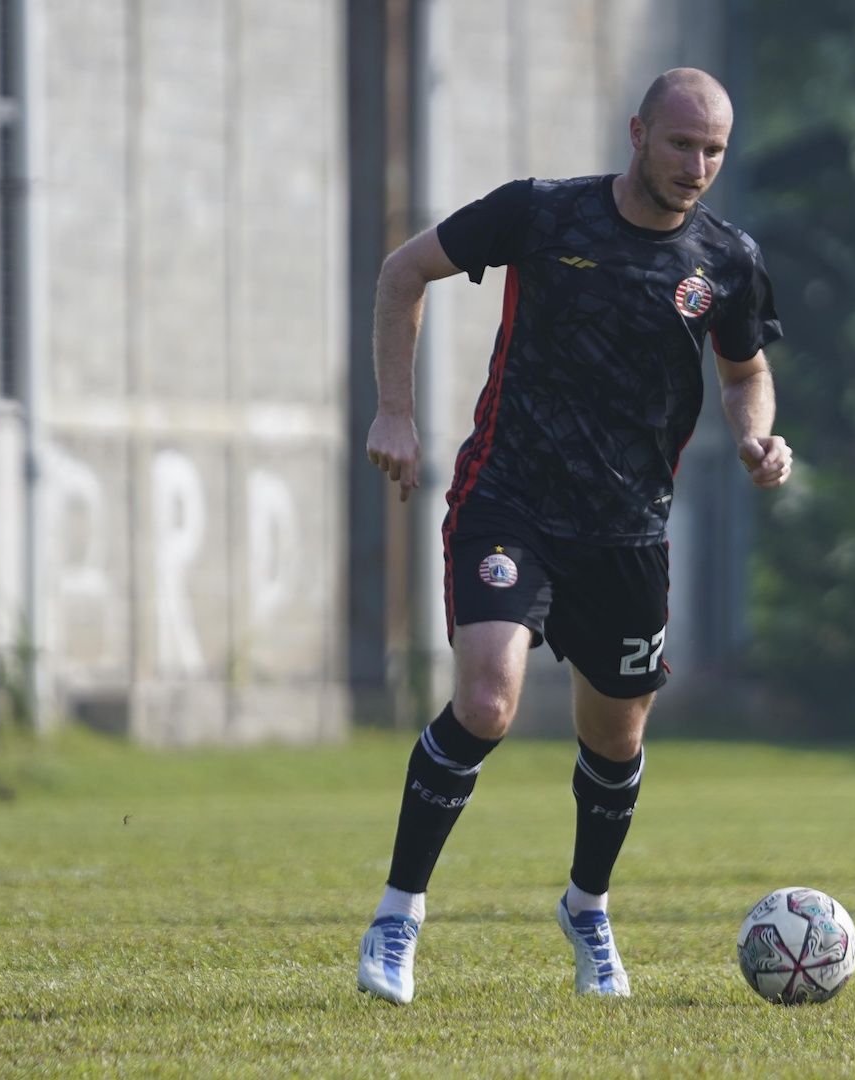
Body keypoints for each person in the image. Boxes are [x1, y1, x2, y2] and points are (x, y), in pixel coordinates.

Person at [355, 68, 790, 1003]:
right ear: (637, 132)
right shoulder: (543, 216)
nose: (697, 165)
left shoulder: (727, 260)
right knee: (487, 702)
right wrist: (394, 409)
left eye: (714, 151)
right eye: (681, 144)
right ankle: (398, 916)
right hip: (509, 497)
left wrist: (755, 432)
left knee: (616, 741)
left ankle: (587, 907)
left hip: (629, 528)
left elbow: (746, 368)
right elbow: (403, 273)